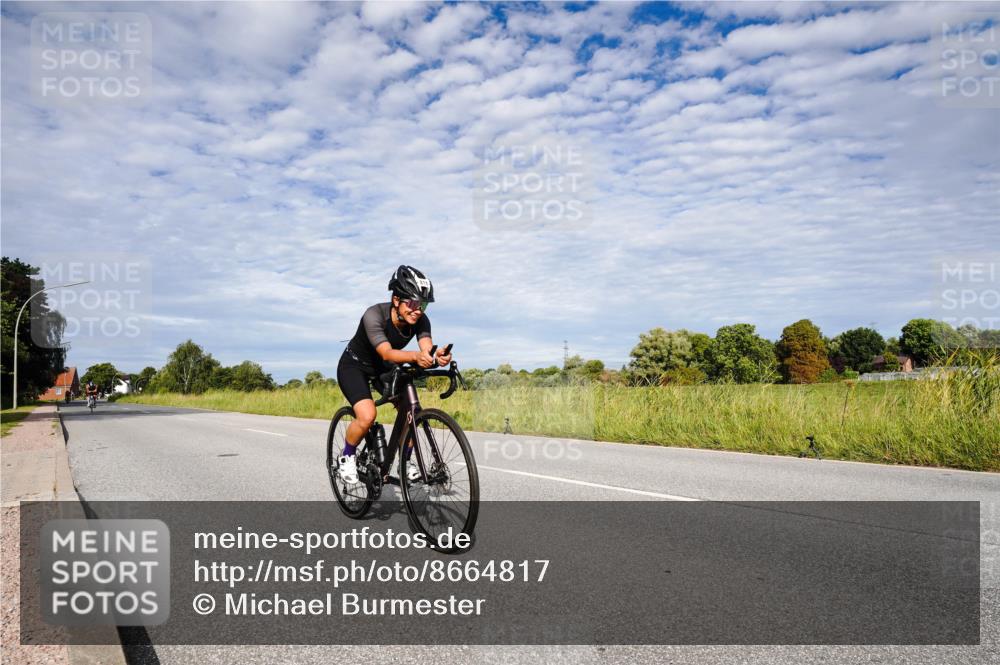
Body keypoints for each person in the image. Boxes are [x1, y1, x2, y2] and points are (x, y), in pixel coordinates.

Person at [336, 265, 451, 484]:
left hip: (384, 368)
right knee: (367, 415)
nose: (418, 310)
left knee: (410, 412)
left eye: (423, 304)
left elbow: (426, 349)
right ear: (396, 299)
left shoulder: (421, 320)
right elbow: (387, 353)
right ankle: (347, 456)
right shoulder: (374, 315)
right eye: (413, 303)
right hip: (355, 366)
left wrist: (437, 357)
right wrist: (415, 356)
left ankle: (404, 462)